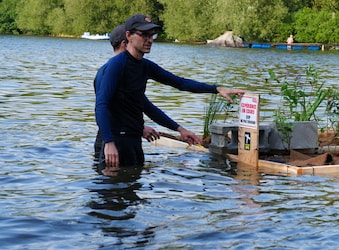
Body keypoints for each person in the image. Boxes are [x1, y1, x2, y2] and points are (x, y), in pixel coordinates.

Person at [95, 14, 245, 169]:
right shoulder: (115, 66)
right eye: (144, 35)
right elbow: (101, 105)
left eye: (152, 35)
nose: (150, 40)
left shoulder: (145, 67)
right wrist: (109, 142)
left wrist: (216, 89)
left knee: (134, 189)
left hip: (134, 142)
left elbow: (180, 83)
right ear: (128, 36)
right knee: (112, 189)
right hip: (116, 144)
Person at [92, 24, 198, 160]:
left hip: (116, 138)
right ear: (126, 42)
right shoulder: (111, 71)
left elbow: (144, 107)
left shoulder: (124, 70)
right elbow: (105, 109)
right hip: (111, 140)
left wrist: (178, 128)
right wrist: (113, 140)